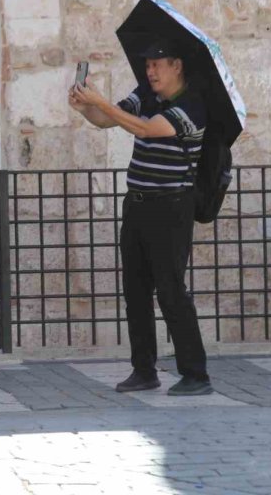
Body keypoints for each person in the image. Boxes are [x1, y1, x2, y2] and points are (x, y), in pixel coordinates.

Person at [68, 38, 213, 396]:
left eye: (156, 65)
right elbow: (109, 121)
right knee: (135, 290)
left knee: (170, 291)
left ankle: (196, 374)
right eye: (147, 65)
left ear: (176, 65)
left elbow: (147, 128)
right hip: (137, 204)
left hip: (171, 207)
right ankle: (144, 370)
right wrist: (86, 108)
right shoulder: (144, 94)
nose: (150, 71)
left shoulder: (193, 105)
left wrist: (101, 102)